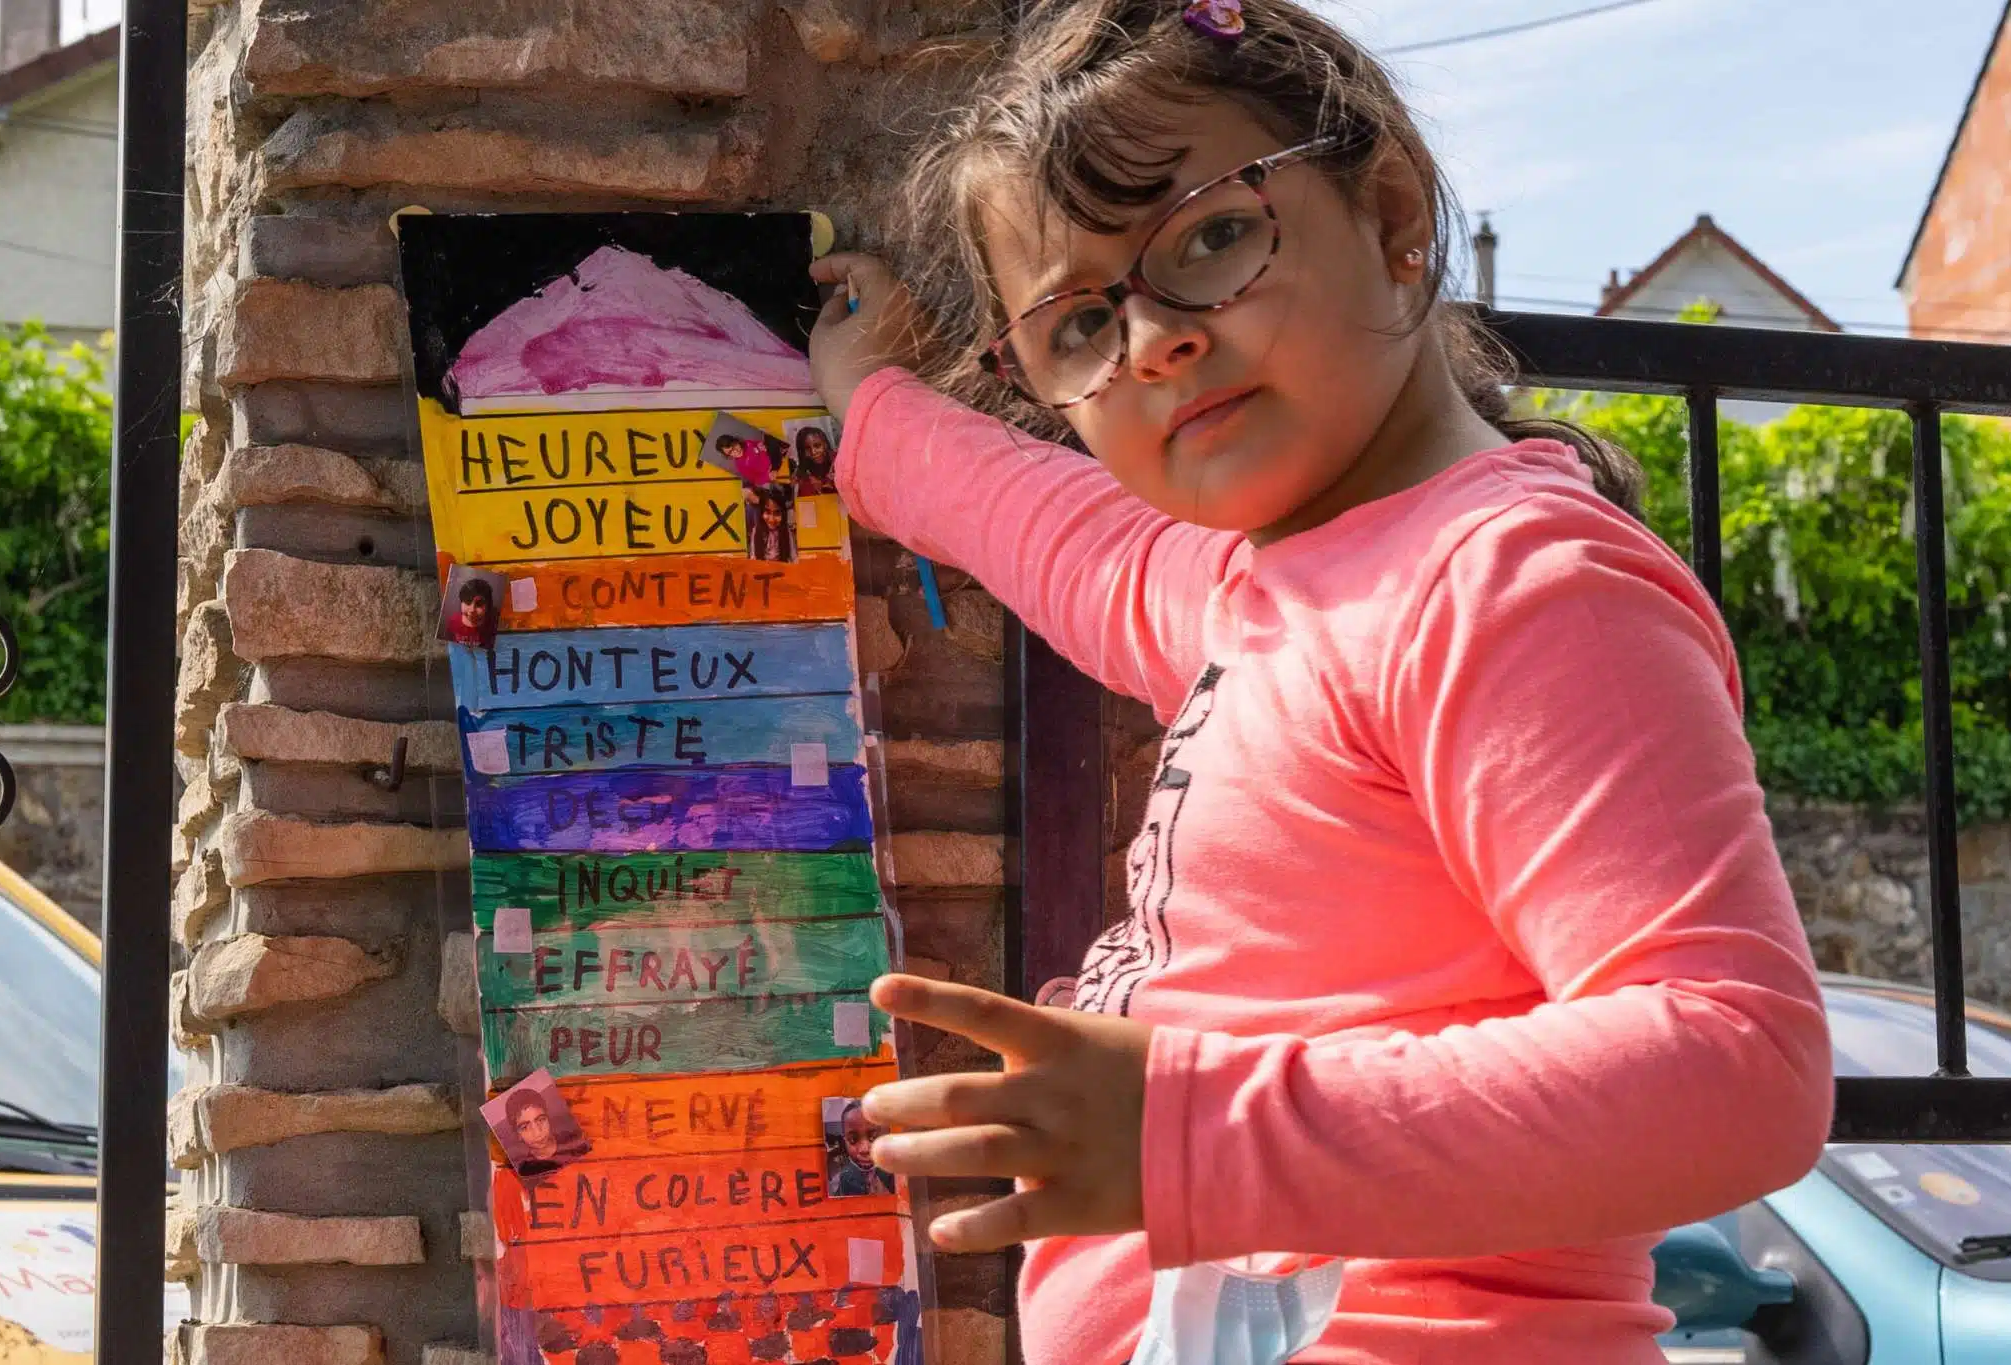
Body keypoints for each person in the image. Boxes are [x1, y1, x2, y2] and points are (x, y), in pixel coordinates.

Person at [801, 2, 1836, 1363]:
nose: (1154, 341)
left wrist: (1189, 1130)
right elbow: (1054, 531)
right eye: (1078, 327)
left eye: (1213, 239)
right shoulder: (1269, 587)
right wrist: (868, 404)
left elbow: (1738, 1068)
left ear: (1394, 211)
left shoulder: (1513, 585)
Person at [829, 1099, 897, 1197]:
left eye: (873, 1137)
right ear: (845, 1142)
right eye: (853, 1140)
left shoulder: (894, 1173)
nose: (864, 1149)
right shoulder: (844, 1176)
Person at [505, 1092, 562, 1178]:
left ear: (548, 1118)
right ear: (518, 1135)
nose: (537, 1133)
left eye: (541, 1120)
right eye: (525, 1127)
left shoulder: (574, 1142)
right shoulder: (526, 1172)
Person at [748, 487, 797, 562]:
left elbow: (794, 557)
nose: (771, 519)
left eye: (777, 513)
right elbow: (753, 557)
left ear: (783, 515)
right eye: (767, 512)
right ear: (761, 512)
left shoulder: (786, 532)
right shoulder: (757, 530)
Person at [445, 577, 495, 647]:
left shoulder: (491, 624)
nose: (472, 610)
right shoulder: (453, 621)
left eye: (479, 604)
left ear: (488, 606)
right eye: (467, 602)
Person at [792, 424, 839, 495]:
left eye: (817, 445)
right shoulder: (803, 470)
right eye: (807, 448)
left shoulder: (839, 460)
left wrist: (838, 479)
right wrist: (810, 486)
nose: (813, 452)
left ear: (825, 444)